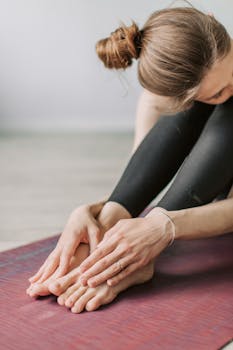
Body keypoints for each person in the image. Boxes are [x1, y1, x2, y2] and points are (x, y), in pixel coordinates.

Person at [27, 5, 233, 313]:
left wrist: (163, 227)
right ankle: (109, 241)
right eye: (214, 94)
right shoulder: (168, 93)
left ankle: (133, 254)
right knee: (193, 106)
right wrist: (101, 213)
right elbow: (146, 172)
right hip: (212, 189)